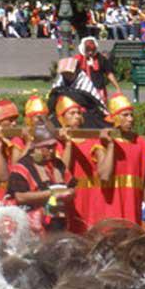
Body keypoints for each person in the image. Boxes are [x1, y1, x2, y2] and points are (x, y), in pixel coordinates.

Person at [55, 96, 115, 232]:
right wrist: (68, 143)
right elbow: (62, 173)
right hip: (71, 197)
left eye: (78, 113)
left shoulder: (93, 141)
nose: (77, 116)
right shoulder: (57, 144)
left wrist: (110, 145)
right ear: (62, 118)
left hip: (93, 197)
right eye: (72, 113)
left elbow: (105, 174)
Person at [7, 122, 76, 234]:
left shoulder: (58, 164)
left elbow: (70, 186)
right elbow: (20, 197)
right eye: (47, 147)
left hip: (57, 224)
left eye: (54, 146)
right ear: (36, 147)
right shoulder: (22, 166)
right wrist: (51, 194)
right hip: (32, 228)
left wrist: (70, 193)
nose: (52, 151)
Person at [104, 94, 145, 231]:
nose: (130, 119)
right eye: (125, 115)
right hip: (112, 202)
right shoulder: (105, 143)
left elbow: (144, 178)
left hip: (133, 203)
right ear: (115, 117)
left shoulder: (141, 143)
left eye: (131, 115)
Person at [49, 57, 108, 128]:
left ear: (76, 72)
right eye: (64, 73)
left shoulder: (84, 82)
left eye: (69, 73)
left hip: (86, 114)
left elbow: (89, 103)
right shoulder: (60, 82)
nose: (67, 75)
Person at [74, 37, 120, 104]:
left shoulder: (101, 58)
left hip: (99, 90)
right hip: (83, 90)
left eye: (92, 50)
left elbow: (109, 73)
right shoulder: (78, 59)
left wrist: (117, 88)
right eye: (88, 50)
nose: (90, 52)